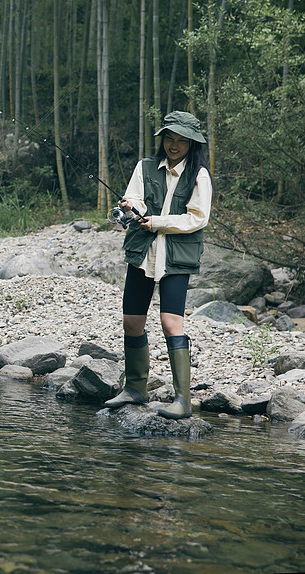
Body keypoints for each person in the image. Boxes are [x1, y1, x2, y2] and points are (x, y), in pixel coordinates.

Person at [104, 111, 213, 419]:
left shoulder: (199, 175)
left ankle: (182, 400)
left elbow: (198, 217)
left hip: (176, 258)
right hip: (143, 255)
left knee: (170, 323)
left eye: (180, 140)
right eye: (169, 138)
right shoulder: (145, 166)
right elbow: (136, 199)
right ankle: (135, 389)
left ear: (192, 144)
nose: (173, 145)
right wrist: (131, 207)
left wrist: (159, 222)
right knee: (132, 322)